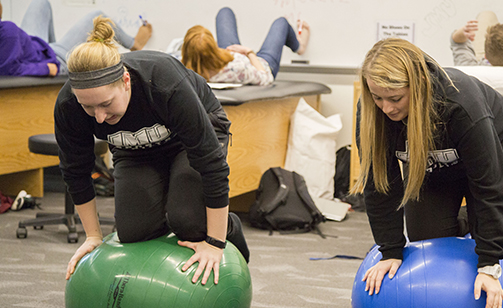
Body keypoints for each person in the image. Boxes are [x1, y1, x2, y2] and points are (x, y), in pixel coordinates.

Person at [352, 38, 503, 308]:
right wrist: (389, 250)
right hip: (435, 164)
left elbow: (489, 185)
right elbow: (381, 185)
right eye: (378, 98)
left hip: (496, 146)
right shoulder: (372, 114)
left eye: (396, 98)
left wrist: (489, 266)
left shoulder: (458, 104)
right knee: (427, 240)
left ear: (418, 85)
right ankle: (471, 219)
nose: (386, 108)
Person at [57, 16, 249, 285]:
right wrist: (93, 236)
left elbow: (212, 166)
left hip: (190, 137)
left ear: (125, 81)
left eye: (106, 104)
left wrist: (216, 242)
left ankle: (228, 228)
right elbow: (75, 173)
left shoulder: (163, 82)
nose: (98, 118)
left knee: (190, 221)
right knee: (134, 231)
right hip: (135, 148)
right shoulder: (69, 105)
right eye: (89, 108)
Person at [0, 0, 151, 77]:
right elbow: (8, 70)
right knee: (97, 16)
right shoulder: (8, 30)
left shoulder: (7, 32)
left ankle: (56, 48)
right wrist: (46, 68)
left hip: (36, 47)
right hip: (53, 59)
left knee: (40, 3)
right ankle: (135, 44)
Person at [180, 7, 310, 86]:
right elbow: (266, 78)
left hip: (229, 56)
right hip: (260, 64)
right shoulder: (237, 69)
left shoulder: (185, 69)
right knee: (281, 23)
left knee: (225, 12)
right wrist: (249, 53)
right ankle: (300, 47)